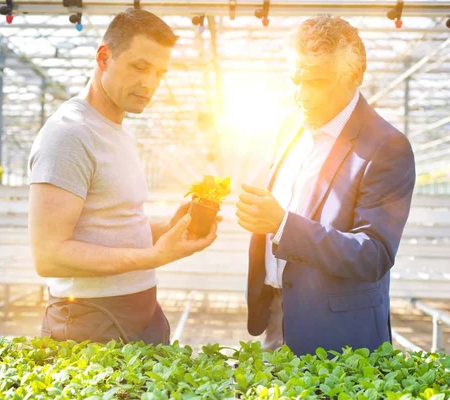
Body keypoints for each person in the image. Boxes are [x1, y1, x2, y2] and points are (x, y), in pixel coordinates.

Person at [28, 8, 220, 345]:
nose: (150, 83)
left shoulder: (119, 131)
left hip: (140, 308)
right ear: (104, 58)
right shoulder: (70, 134)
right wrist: (155, 256)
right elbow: (49, 255)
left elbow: (112, 223)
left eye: (159, 73)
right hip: (92, 317)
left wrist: (169, 228)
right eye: (140, 66)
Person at [236, 15, 416, 355]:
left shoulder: (387, 147)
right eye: (295, 80)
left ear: (355, 76)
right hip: (277, 320)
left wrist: (281, 224)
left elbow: (373, 255)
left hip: (339, 337)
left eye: (317, 82)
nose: (302, 96)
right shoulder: (290, 126)